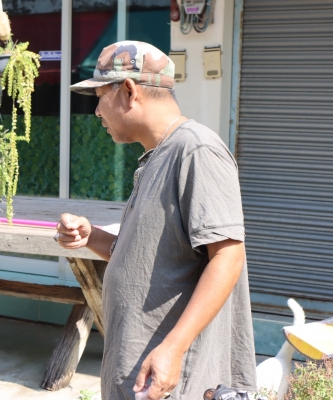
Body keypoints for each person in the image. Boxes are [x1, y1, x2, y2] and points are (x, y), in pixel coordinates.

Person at [54, 41, 257, 400]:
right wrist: (92, 237)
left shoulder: (196, 151)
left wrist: (173, 348)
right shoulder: (158, 156)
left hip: (170, 383)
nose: (97, 112)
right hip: (138, 373)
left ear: (128, 91)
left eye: (99, 97)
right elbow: (152, 260)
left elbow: (228, 257)